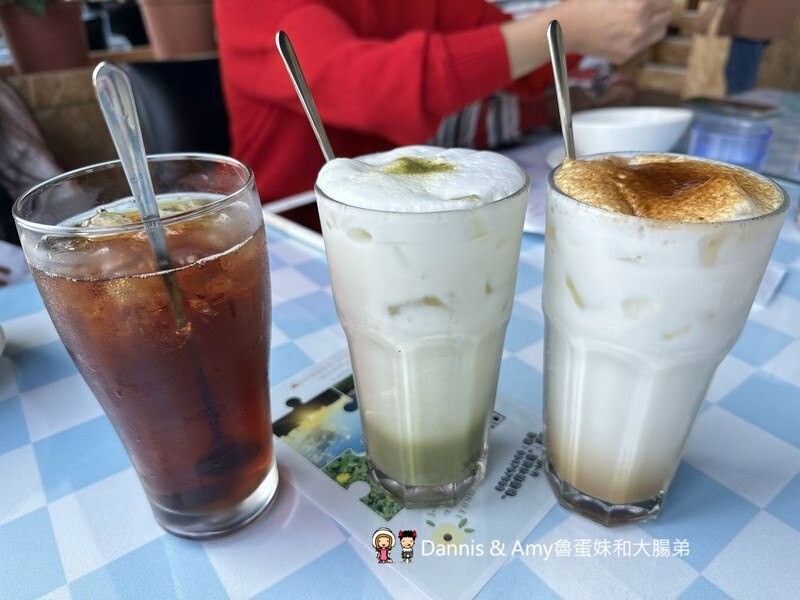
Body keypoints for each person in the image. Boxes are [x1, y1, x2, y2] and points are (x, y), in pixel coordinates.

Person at [215, 0, 671, 204]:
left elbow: (517, 58)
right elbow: (373, 89)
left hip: (414, 204)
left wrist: (602, 23)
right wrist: (563, 26)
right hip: (293, 229)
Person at [698, 0, 800, 95]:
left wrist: (713, 7)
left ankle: (738, 110)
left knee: (739, 77)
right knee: (739, 73)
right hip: (760, 15)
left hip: (755, 15)